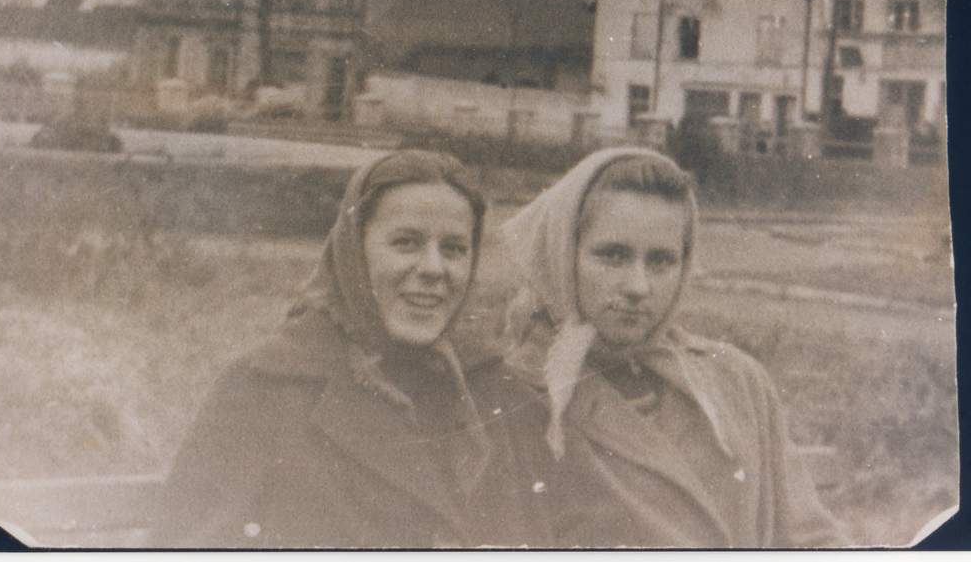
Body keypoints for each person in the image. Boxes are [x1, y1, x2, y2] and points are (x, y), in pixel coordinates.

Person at [148, 150, 552, 548]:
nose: (433, 268)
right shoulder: (264, 386)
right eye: (406, 243)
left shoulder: (493, 389)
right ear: (354, 252)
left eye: (454, 249)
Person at [500, 147, 845, 548]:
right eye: (612, 256)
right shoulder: (515, 397)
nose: (638, 287)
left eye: (662, 261)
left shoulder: (736, 380)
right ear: (561, 253)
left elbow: (814, 541)